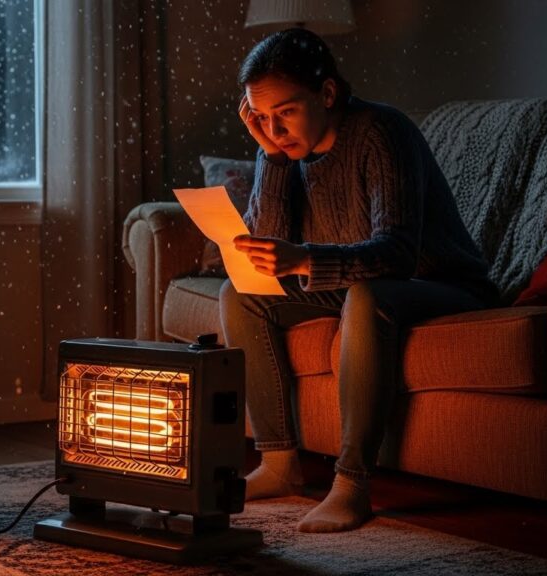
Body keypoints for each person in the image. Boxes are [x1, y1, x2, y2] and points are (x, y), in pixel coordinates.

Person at [219, 27, 499, 533]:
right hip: (354, 285)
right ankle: (280, 462)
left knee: (368, 296)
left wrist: (303, 260)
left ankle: (352, 483)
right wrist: (274, 158)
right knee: (242, 295)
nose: (275, 128)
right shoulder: (285, 150)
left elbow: (396, 255)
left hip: (442, 285)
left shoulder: (380, 132)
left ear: (327, 93)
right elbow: (270, 240)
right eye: (261, 118)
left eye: (285, 113)